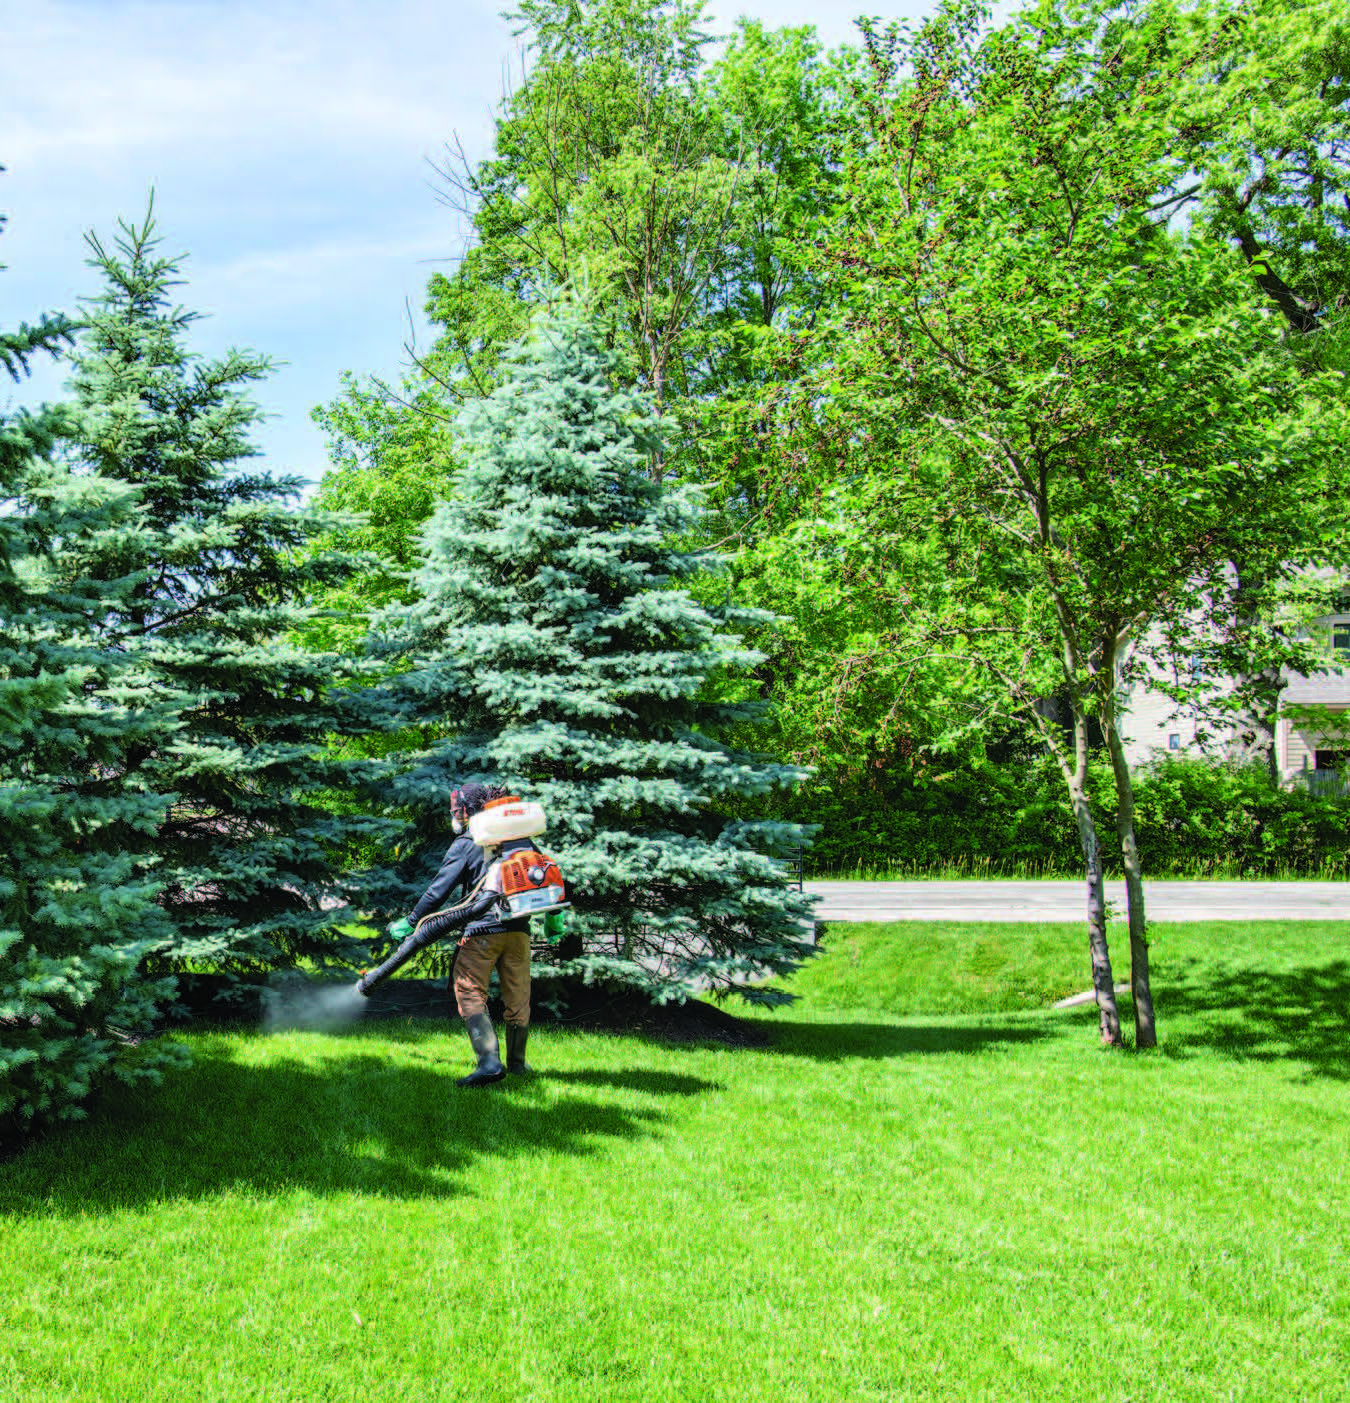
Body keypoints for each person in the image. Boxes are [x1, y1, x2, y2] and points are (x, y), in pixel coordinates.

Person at [404, 781, 534, 1088]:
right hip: (519, 931)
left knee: (469, 990)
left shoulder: (468, 842)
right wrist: (556, 917)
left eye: (457, 810)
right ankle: (517, 1065)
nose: (454, 815)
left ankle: (489, 1063)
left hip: (482, 931)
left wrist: (411, 921)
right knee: (518, 997)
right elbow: (545, 875)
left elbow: (438, 892)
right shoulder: (520, 838)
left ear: (468, 811)